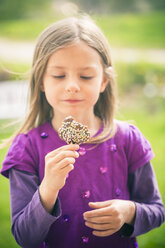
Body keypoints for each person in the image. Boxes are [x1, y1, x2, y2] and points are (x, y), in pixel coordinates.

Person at [0, 15, 164, 248]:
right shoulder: (26, 147)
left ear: (104, 81)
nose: (72, 85)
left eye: (86, 76)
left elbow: (156, 210)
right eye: (58, 75)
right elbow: (24, 237)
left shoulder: (128, 140)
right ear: (41, 82)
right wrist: (48, 189)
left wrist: (129, 212)